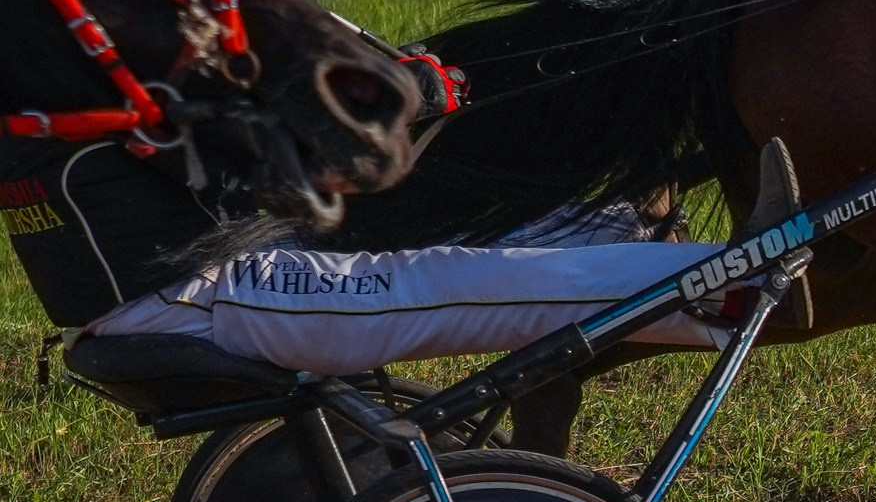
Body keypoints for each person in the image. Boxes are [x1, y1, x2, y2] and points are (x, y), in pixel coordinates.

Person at [2, 63, 801, 377]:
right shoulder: (86, 75)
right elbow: (262, 151)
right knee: (448, 282)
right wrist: (401, 93)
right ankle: (726, 286)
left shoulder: (47, 78)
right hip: (201, 300)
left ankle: (612, 237)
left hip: (181, 287)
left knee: (449, 247)